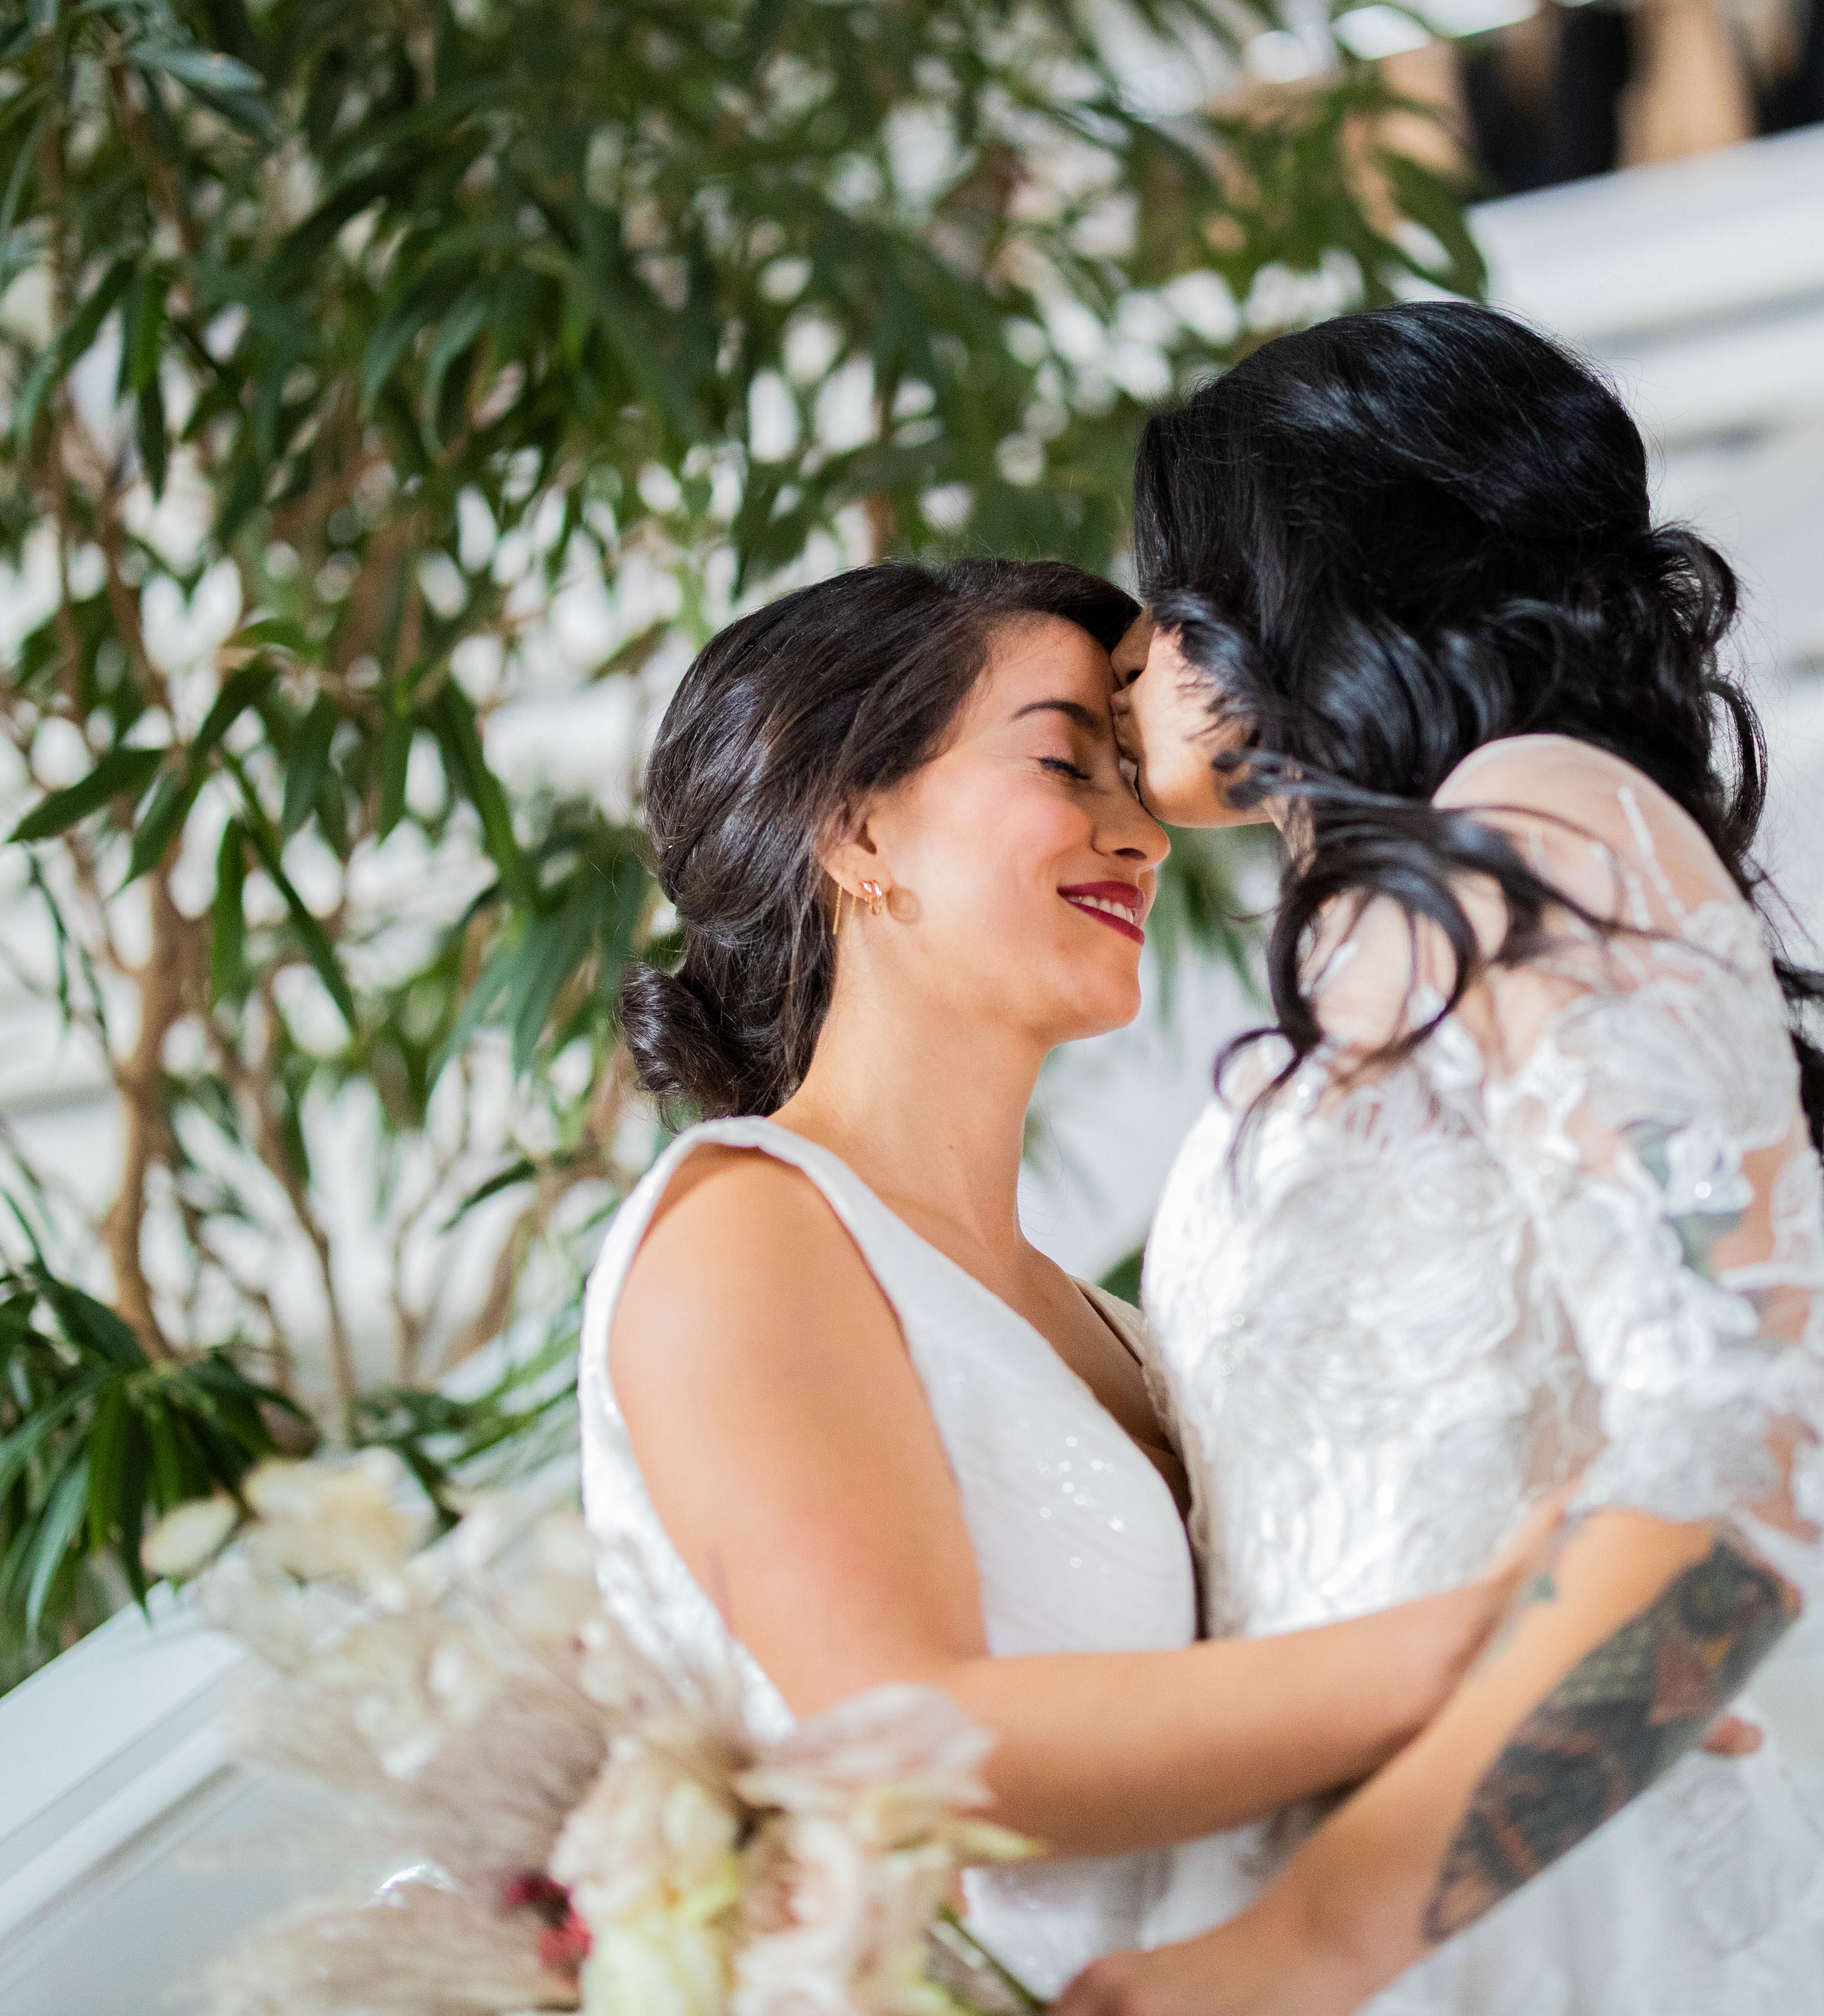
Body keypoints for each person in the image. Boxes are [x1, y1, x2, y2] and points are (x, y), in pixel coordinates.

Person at [1063, 300, 1824, 2016]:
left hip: (1508, 1918)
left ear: (1306, 583)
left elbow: (1760, 1437)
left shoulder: (1535, 821)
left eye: (1176, 593)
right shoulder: (1407, 911)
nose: (1130, 654)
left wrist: (1296, 1952)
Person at [581, 558, 1556, 1998]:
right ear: (852, 826)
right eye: (1064, 763)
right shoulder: (748, 1231)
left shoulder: (1114, 1326)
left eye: (1134, 782)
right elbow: (905, 1746)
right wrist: (1497, 1642)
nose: (1142, 839)